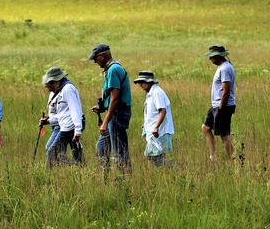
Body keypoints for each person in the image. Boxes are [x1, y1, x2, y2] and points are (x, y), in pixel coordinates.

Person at [88, 44, 132, 172]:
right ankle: (105, 178)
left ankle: (125, 181)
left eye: (95, 59)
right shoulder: (112, 68)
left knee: (119, 152)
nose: (95, 62)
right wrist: (102, 108)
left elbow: (116, 98)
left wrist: (105, 122)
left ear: (102, 56)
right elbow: (113, 98)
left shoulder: (113, 70)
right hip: (113, 113)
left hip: (117, 114)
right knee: (101, 149)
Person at [40, 66, 84, 168]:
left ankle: (48, 177)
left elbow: (75, 109)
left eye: (49, 85)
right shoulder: (58, 90)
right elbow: (63, 114)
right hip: (64, 125)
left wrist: (77, 130)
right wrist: (49, 121)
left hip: (70, 126)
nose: (48, 89)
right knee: (75, 154)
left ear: (56, 81)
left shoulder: (68, 89)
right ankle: (79, 165)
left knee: (52, 151)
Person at [202, 44, 236, 161]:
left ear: (218, 56)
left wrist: (221, 108)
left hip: (223, 106)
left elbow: (226, 91)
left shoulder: (225, 69)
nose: (210, 59)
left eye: (212, 57)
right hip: (216, 105)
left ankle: (233, 160)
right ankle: (213, 157)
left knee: (224, 135)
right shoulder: (222, 67)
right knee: (206, 128)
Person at [133, 70, 174, 167]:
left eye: (142, 82)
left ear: (149, 81)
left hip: (160, 131)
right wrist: (146, 123)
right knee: (151, 155)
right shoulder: (150, 93)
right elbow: (153, 112)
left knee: (155, 156)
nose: (140, 85)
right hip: (154, 129)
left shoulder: (157, 92)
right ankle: (168, 170)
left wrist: (156, 126)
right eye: (139, 83)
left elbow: (162, 111)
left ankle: (172, 169)